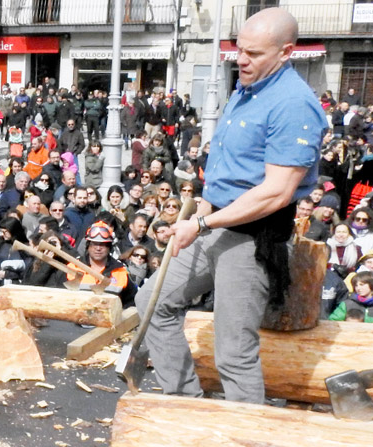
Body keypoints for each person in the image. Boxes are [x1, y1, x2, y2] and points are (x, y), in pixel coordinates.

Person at [135, 7, 328, 404]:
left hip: (255, 237)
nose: (241, 59)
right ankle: (186, 403)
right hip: (216, 222)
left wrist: (202, 226)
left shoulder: (293, 104)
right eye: (240, 49)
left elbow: (275, 192)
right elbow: (231, 165)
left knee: (234, 353)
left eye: (254, 54)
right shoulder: (247, 87)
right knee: (151, 301)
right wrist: (204, 210)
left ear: (286, 52)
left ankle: (246, 445)